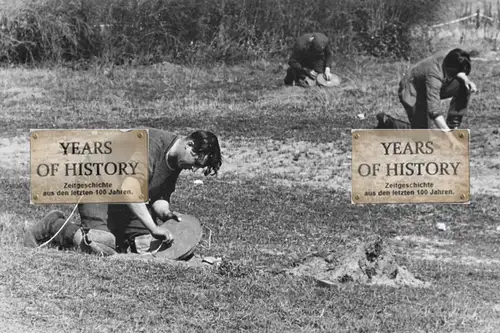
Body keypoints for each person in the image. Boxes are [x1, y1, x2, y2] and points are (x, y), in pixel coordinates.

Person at [23, 128, 222, 258]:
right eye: (196, 163)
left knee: (144, 246)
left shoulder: (176, 159)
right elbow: (131, 191)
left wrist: (166, 214)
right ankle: (54, 225)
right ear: (189, 146)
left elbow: (160, 196)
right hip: (98, 181)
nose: (192, 169)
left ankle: (117, 232)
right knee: (100, 245)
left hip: (125, 193)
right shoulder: (150, 145)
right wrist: (154, 227)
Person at [397, 48, 477, 130]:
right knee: (422, 132)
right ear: (449, 68)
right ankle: (390, 125)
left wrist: (467, 81)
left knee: (465, 86)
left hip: (428, 85)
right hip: (412, 91)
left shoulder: (453, 56)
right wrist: (448, 133)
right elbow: (434, 111)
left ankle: (453, 125)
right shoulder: (434, 75)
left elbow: (460, 72)